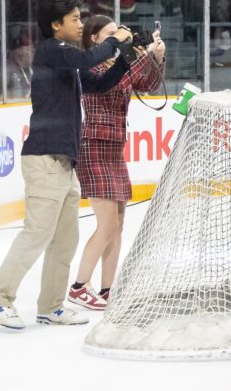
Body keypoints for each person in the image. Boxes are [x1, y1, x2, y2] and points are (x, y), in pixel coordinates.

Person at [0, 0, 132, 330]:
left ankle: (51, 307)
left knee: (65, 239)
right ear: (56, 25)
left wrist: (124, 58)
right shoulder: (52, 51)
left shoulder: (67, 61)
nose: (81, 25)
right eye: (76, 19)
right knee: (36, 234)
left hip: (66, 163)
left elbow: (99, 81)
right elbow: (90, 59)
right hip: (44, 159)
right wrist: (114, 40)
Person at [69, 15, 166, 309]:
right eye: (112, 34)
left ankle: (108, 288)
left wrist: (157, 58)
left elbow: (147, 83)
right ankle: (79, 285)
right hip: (95, 145)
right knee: (108, 223)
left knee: (118, 224)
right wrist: (138, 57)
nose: (120, 37)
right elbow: (109, 85)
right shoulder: (90, 66)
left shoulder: (116, 63)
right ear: (96, 38)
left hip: (113, 148)